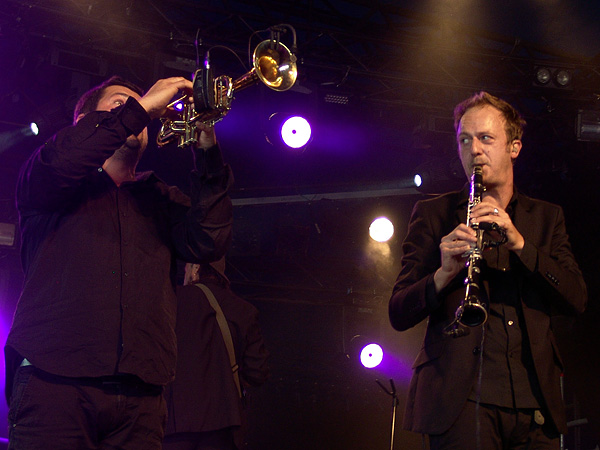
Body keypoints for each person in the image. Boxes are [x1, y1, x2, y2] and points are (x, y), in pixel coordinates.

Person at [4, 75, 233, 449]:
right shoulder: (50, 178)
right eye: (118, 106)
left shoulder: (161, 198)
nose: (135, 111)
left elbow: (209, 241)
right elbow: (64, 160)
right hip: (55, 385)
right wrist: (142, 106)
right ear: (85, 123)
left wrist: (207, 147)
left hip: (140, 397)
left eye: (136, 107)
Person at [388, 91, 588, 449]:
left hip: (533, 402)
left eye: (485, 138)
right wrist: (443, 273)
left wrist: (522, 246)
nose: (474, 150)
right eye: (465, 140)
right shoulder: (433, 214)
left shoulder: (546, 217)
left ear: (514, 147)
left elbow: (576, 298)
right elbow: (399, 311)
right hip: (460, 401)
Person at [162, 259, 270, 450]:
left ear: (196, 269)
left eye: (187, 268)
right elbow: (257, 373)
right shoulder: (244, 310)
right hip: (224, 426)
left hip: (174, 424)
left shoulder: (171, 300)